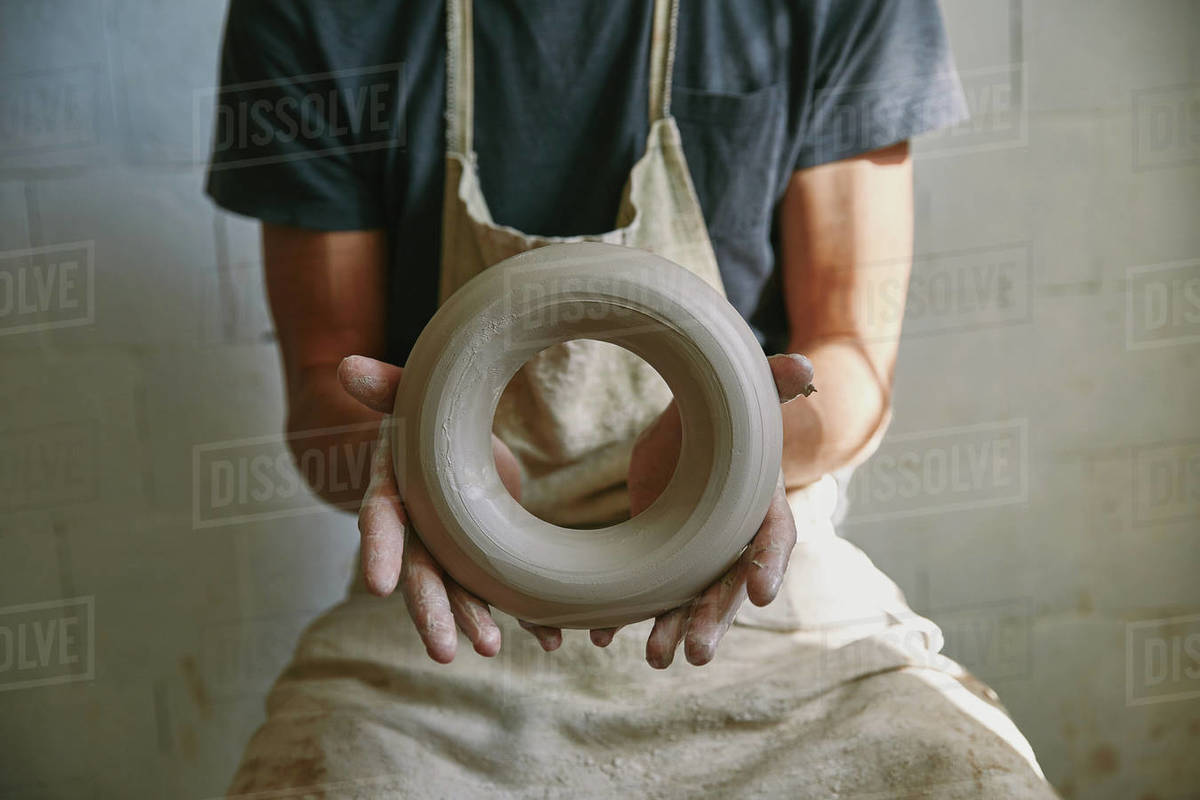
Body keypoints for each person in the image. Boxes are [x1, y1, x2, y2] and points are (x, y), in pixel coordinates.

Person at [206, 0, 1059, 796]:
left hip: (749, 560)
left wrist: (737, 444)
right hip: (454, 584)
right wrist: (414, 458)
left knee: (964, 773)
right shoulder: (316, 12)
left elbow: (856, 360)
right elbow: (327, 382)